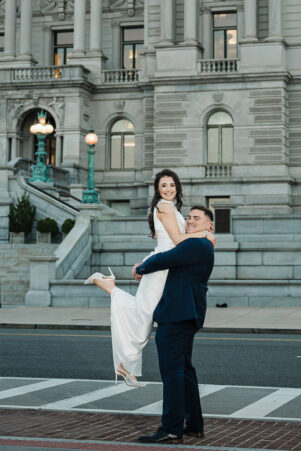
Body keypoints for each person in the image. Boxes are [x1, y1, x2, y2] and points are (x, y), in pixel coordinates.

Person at [83, 169, 213, 386]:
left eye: (172, 185)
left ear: (177, 187)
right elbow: (179, 239)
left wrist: (145, 263)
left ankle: (125, 365)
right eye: (163, 186)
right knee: (143, 317)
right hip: (162, 268)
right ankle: (110, 288)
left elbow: (173, 242)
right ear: (157, 190)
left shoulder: (172, 208)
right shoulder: (163, 206)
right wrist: (206, 234)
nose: (168, 189)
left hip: (164, 264)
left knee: (144, 315)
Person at [134, 205, 215, 444]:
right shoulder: (204, 245)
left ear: (209, 225)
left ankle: (171, 428)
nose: (190, 221)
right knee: (185, 370)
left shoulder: (194, 245)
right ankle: (194, 425)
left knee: (172, 372)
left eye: (197, 219)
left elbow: (164, 259)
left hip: (177, 314)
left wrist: (141, 267)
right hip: (187, 314)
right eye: (188, 217)